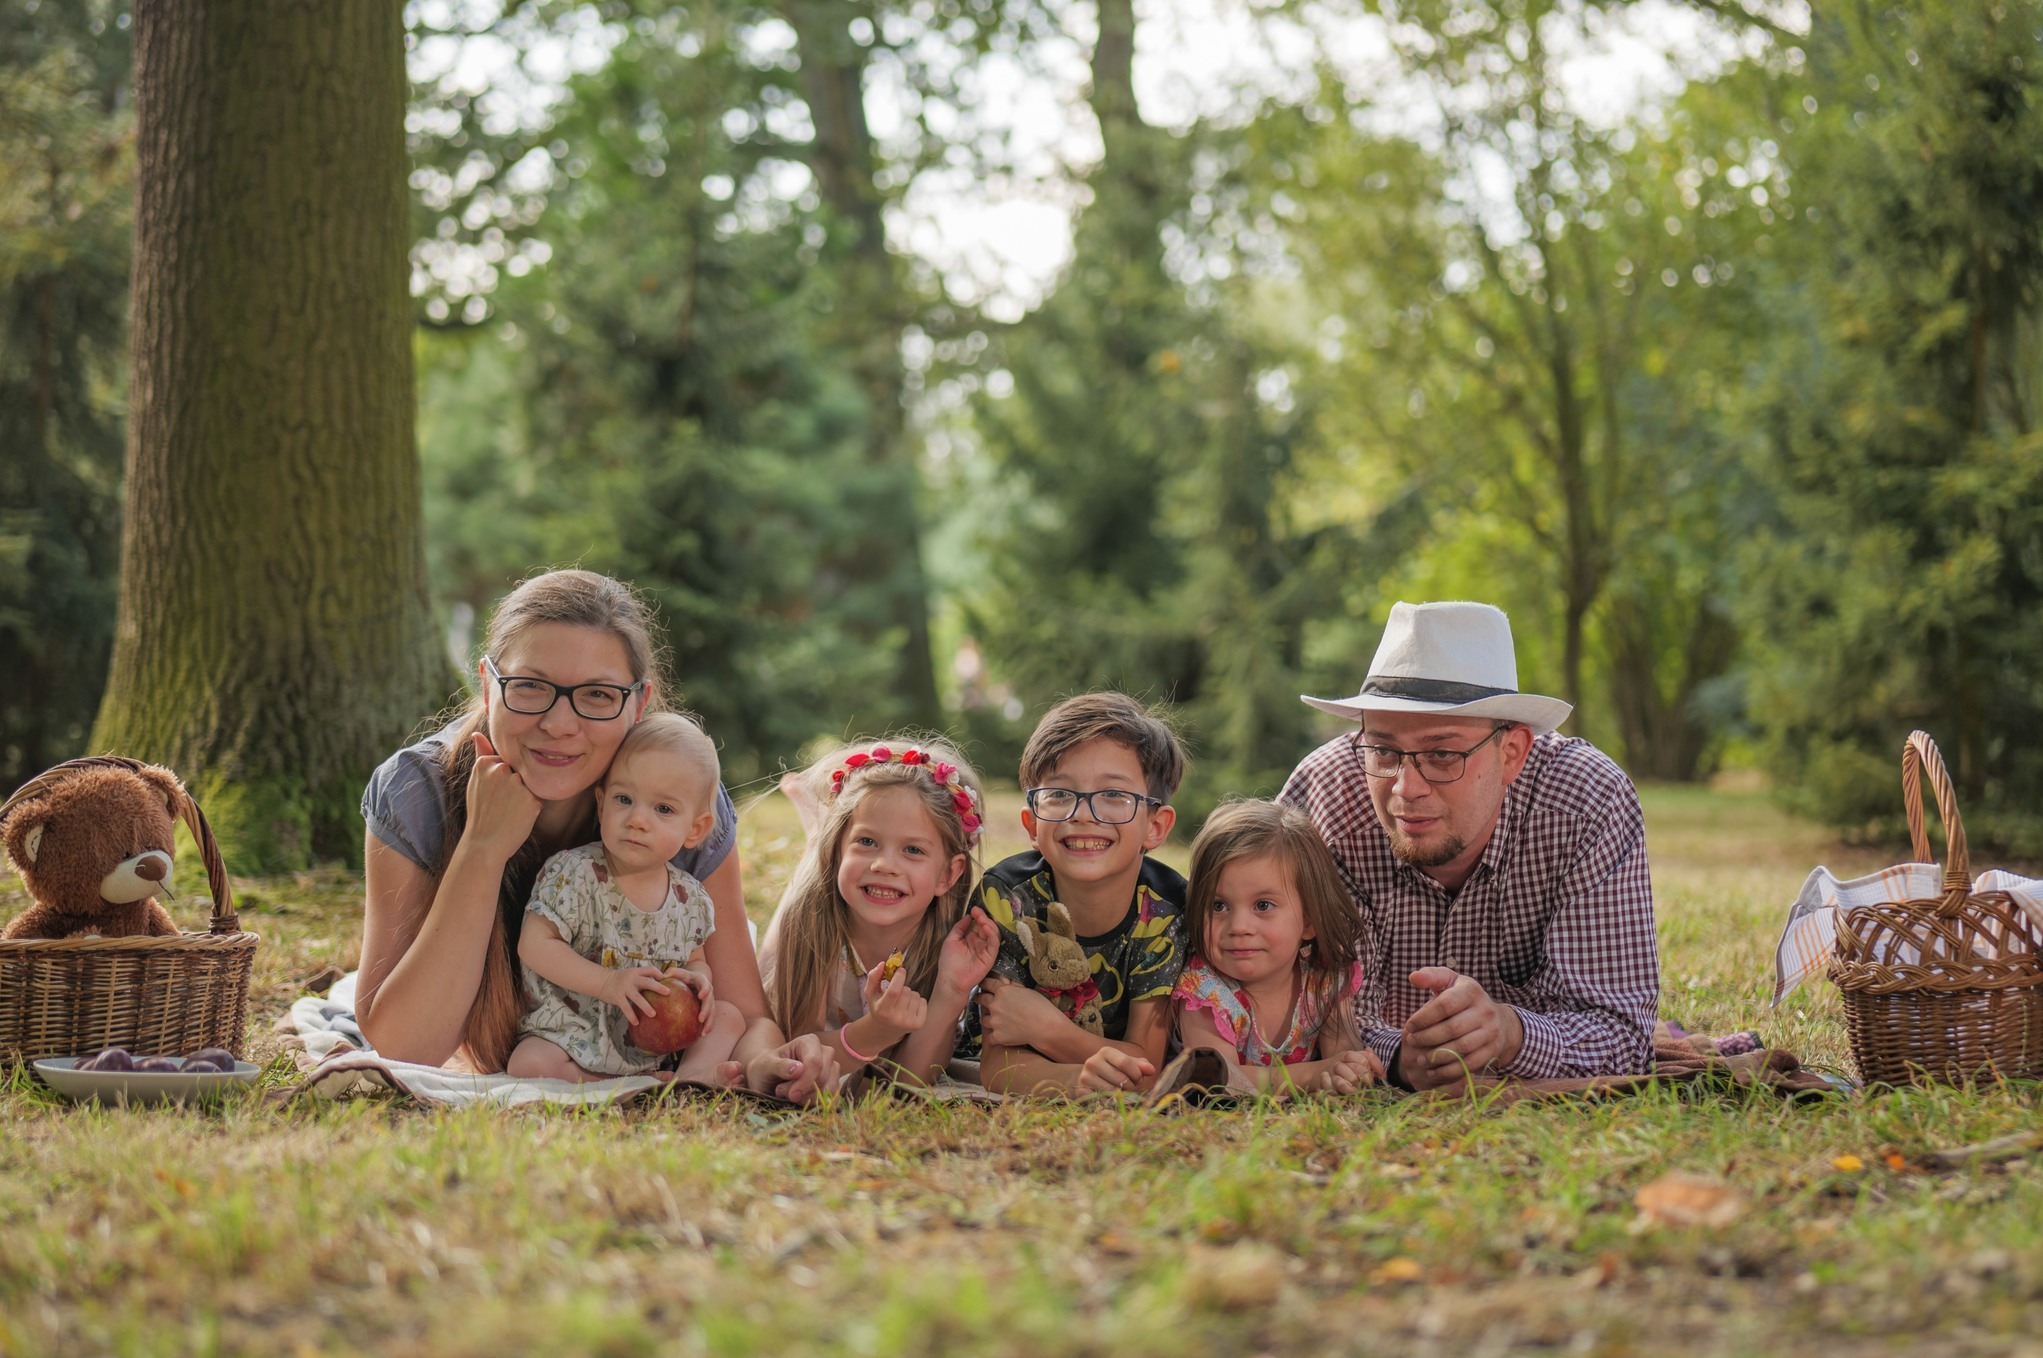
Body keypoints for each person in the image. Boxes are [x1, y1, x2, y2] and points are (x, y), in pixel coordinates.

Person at [355, 569, 839, 1100]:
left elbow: (744, 1013)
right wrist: (482, 848)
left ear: (639, 702)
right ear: (488, 684)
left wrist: (769, 1063)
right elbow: (405, 1046)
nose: (560, 724)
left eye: (598, 695)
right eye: (530, 686)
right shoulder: (417, 790)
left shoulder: (674, 804)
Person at [1280, 600, 1658, 1090]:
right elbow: (1280, 1010)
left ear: (1512, 754)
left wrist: (1511, 1034)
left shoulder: (1585, 804)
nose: (1404, 788)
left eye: (1442, 753)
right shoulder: (1326, 801)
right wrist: (1398, 1059)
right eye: (1384, 750)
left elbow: (1623, 1035)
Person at [966, 692, 1190, 1096]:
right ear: (1032, 824)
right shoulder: (1009, 897)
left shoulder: (1167, 910)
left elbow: (1146, 1068)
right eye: (1060, 794)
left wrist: (1049, 1031)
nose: (1083, 814)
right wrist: (1078, 1080)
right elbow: (997, 1066)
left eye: (1114, 796)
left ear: (1155, 826)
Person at [508, 713, 746, 1084]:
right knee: (529, 1063)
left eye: (663, 809)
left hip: (655, 1043)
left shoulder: (691, 898)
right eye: (624, 799)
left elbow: (695, 959)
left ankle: (691, 1075)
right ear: (601, 804)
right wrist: (608, 983)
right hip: (575, 1034)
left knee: (730, 1016)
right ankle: (614, 1084)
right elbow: (534, 945)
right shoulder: (573, 873)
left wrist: (699, 980)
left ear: (695, 829)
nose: (637, 819)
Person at [757, 738, 1001, 1087]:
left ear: (948, 874)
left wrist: (950, 989)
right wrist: (875, 1032)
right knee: (767, 960)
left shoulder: (945, 949)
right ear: (838, 851)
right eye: (867, 841)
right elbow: (796, 1049)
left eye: (913, 849)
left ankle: (820, 836)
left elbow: (912, 1079)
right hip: (814, 914)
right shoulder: (815, 924)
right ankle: (817, 842)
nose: (885, 865)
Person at [1171, 800, 1383, 1094]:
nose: (1239, 926)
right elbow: (1215, 1079)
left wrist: (1350, 1070)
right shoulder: (1204, 990)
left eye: (1263, 905)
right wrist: (1313, 1074)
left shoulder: (1324, 978)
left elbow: (1341, 1056)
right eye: (1218, 905)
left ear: (1309, 920)